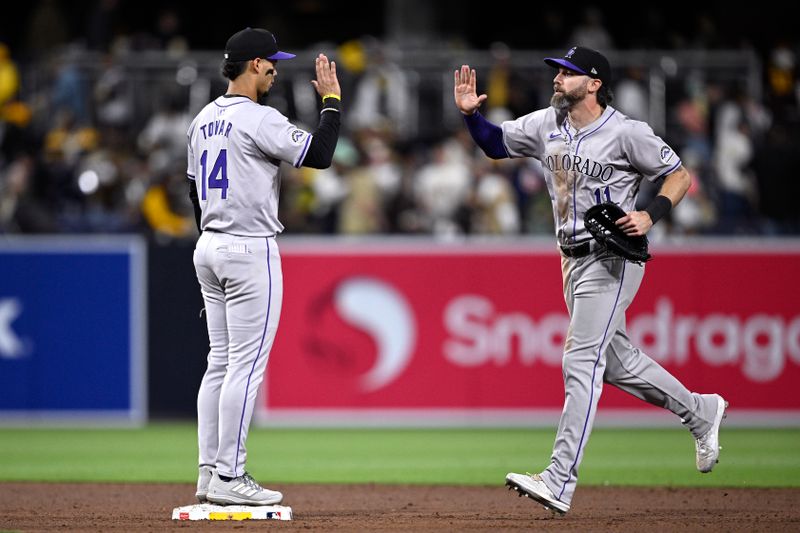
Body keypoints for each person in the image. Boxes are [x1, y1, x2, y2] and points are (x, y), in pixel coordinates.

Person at [454, 46, 727, 515]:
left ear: (594, 83)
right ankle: (701, 411)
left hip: (613, 258)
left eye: (568, 73)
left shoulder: (626, 132)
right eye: (557, 72)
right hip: (570, 259)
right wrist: (471, 118)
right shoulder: (545, 124)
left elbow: (678, 176)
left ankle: (559, 479)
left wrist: (650, 213)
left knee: (581, 360)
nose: (557, 78)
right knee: (616, 363)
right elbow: (496, 144)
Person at [187, 27, 341, 506]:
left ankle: (209, 473)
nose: (276, 69)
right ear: (253, 65)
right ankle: (230, 477)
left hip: (208, 247)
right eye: (271, 62)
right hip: (249, 249)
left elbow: (194, 191)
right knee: (245, 368)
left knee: (219, 364)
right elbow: (320, 154)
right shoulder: (259, 117)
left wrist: (214, 243)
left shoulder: (201, 119)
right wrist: (332, 101)